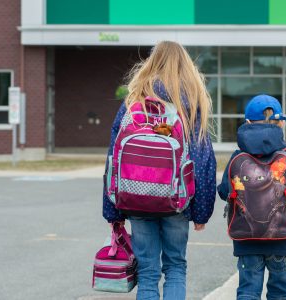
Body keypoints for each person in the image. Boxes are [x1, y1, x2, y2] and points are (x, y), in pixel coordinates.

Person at [102, 41, 216, 300]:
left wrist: (113, 210)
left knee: (148, 271)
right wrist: (201, 212)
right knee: (176, 266)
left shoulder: (134, 100)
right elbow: (202, 160)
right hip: (177, 201)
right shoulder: (191, 101)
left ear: (152, 63)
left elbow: (113, 159)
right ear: (185, 65)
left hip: (135, 199)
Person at [217, 94, 286, 300]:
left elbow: (225, 191)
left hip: (246, 239)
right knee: (279, 293)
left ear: (248, 122)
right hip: (282, 239)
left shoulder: (238, 157)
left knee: (247, 292)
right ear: (279, 123)